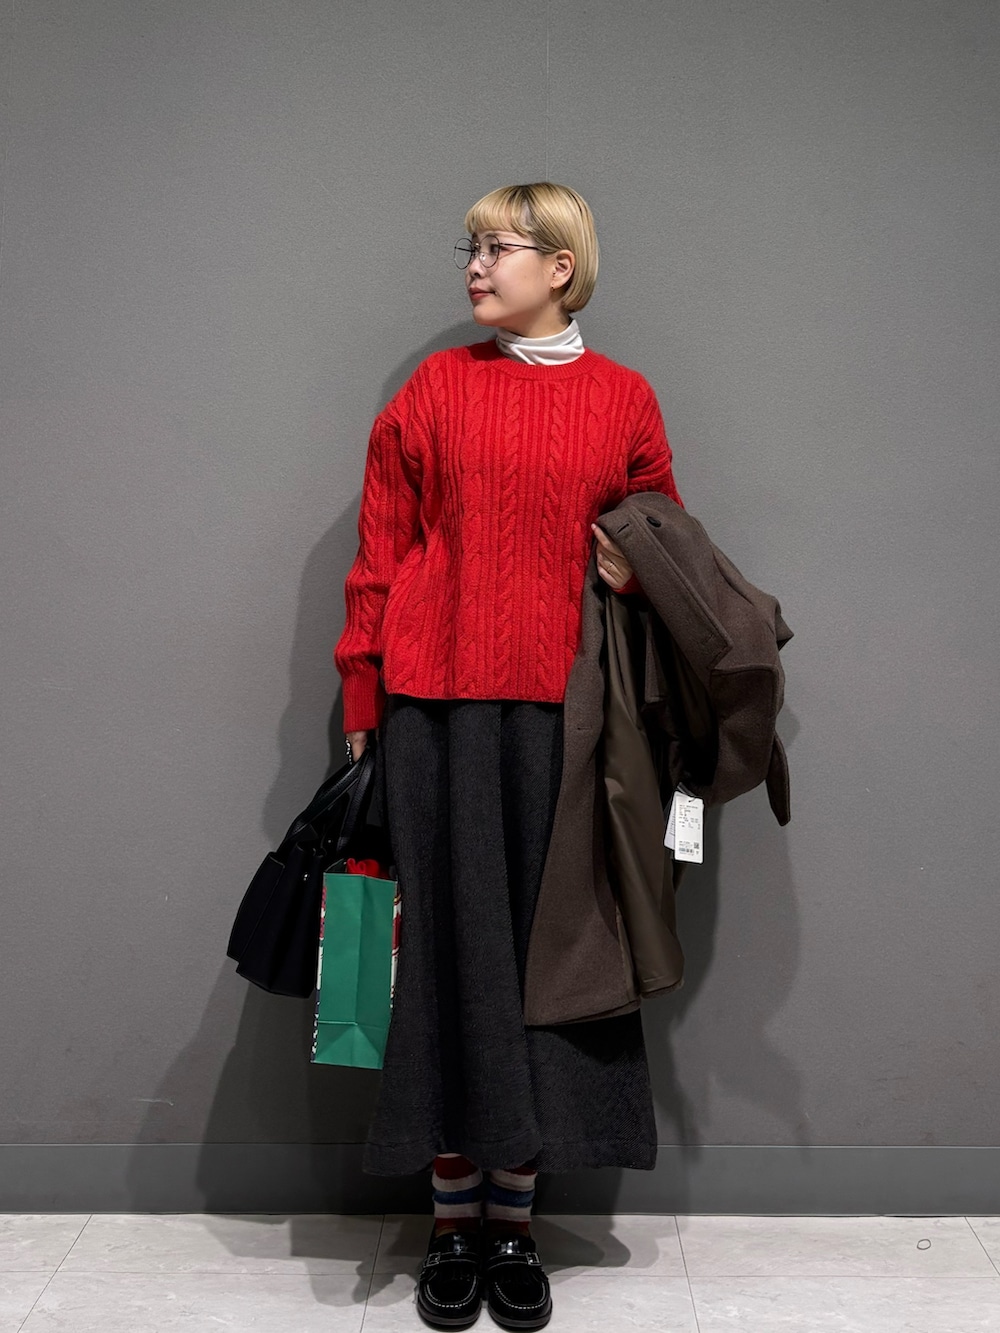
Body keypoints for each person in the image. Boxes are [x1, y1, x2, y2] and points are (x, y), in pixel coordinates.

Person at [333, 183, 683, 1331]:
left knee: (549, 958)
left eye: (498, 247)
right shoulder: (436, 389)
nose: (475, 266)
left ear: (560, 266)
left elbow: (667, 539)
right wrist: (362, 688)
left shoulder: (624, 399)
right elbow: (381, 547)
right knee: (444, 951)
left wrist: (637, 563)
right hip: (434, 707)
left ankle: (515, 1218)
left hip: (567, 718)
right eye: (472, 247)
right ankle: (451, 1217)